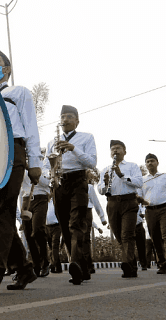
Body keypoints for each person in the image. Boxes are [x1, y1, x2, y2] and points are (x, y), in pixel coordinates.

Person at [0, 49, 42, 295]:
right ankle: (23, 268)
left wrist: (35, 162)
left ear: (7, 69)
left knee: (1, 210)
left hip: (13, 150)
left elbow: (31, 127)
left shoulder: (18, 92)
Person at [43, 105, 97, 285]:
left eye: (68, 116)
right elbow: (45, 166)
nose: (64, 120)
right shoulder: (52, 142)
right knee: (65, 226)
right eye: (62, 117)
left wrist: (73, 148)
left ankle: (74, 263)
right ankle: (81, 267)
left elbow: (92, 162)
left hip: (78, 181)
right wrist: (50, 173)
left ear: (77, 121)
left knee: (76, 224)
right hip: (59, 183)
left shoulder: (86, 137)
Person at [97, 140, 142, 278]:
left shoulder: (132, 166)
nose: (115, 151)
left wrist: (121, 175)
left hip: (128, 202)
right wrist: (104, 183)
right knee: (119, 236)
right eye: (113, 149)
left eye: (118, 148)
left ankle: (127, 264)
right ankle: (131, 264)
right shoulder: (105, 169)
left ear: (125, 151)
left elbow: (139, 183)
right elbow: (100, 190)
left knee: (127, 234)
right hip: (112, 203)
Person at [20, 164, 51, 277]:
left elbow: (47, 183)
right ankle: (36, 265)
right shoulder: (21, 168)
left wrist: (33, 170)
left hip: (40, 198)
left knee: (38, 230)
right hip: (26, 200)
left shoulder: (44, 168)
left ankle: (45, 262)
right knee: (28, 234)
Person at [84, 176, 107, 275]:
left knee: (85, 239)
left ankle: (88, 266)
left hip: (86, 212)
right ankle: (81, 263)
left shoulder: (89, 187)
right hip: (74, 213)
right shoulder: (69, 186)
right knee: (77, 239)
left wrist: (102, 217)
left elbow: (96, 202)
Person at [44, 197, 65, 273]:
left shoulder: (56, 201)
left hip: (56, 226)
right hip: (47, 226)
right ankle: (58, 268)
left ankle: (52, 263)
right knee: (51, 247)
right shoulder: (44, 202)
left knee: (55, 245)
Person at [135, 204, 149, 270]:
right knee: (129, 246)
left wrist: (143, 213)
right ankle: (132, 264)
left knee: (141, 246)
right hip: (128, 227)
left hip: (139, 225)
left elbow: (144, 210)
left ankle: (143, 264)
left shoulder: (140, 204)